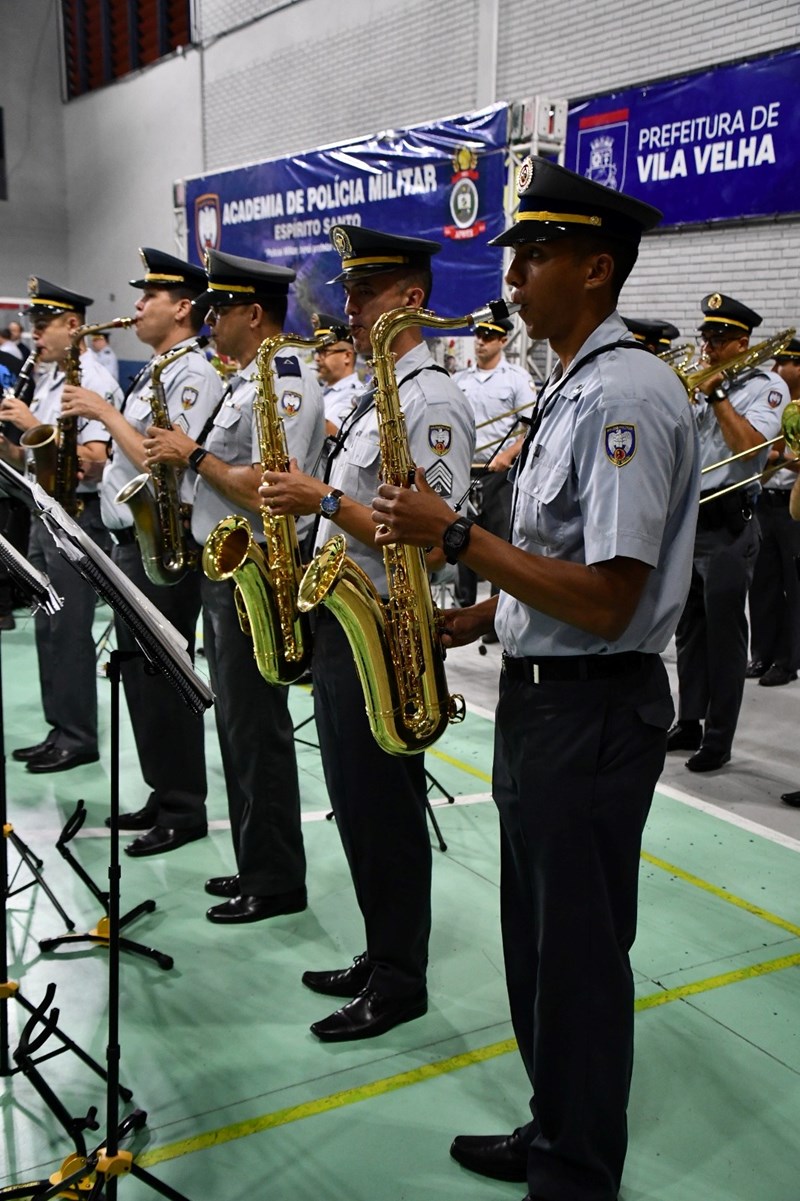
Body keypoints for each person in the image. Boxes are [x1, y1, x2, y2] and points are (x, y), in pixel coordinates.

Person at [369, 156, 698, 1201]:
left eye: (534, 255)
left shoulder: (625, 397)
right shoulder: (571, 385)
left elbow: (607, 598)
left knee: (579, 958)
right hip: (546, 701)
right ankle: (552, 1120)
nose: (510, 278)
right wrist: (479, 613)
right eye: (514, 256)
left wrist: (455, 535)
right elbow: (563, 575)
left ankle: (575, 1168)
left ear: (595, 269)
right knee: (538, 942)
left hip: (592, 715)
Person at [259, 224, 474, 1041]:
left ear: (410, 298)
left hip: (390, 630)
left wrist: (317, 499)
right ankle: (382, 949)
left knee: (384, 808)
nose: (347, 308)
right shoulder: (380, 391)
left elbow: (431, 529)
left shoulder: (432, 401)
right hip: (350, 623)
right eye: (348, 292)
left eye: (364, 293)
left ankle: (401, 978)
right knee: (354, 803)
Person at [142, 248, 324, 920]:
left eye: (222, 308)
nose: (211, 319)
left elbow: (275, 485)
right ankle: (257, 861)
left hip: (257, 575)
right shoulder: (250, 379)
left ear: (255, 312)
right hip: (226, 571)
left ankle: (276, 879)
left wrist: (192, 455)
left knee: (257, 732)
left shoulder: (286, 379)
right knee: (239, 730)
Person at [60, 248, 223, 854]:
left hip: (162, 544)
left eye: (148, 297)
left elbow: (160, 458)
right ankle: (165, 792)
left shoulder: (194, 374)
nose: (135, 306)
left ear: (182, 308)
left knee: (163, 677)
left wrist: (102, 412)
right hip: (131, 541)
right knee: (143, 678)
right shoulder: (157, 369)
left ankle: (184, 808)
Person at [0, 277, 120, 771]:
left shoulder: (89, 380)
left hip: (77, 516)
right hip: (42, 511)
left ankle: (77, 735)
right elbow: (34, 457)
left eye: (43, 323)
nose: (35, 333)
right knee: (47, 630)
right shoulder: (48, 377)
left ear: (73, 325)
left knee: (69, 630)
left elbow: (90, 460)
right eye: (32, 323)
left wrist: (29, 425)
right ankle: (59, 727)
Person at [667, 294, 789, 771]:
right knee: (688, 632)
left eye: (719, 340)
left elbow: (752, 452)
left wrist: (717, 396)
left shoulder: (767, 386)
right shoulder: (697, 384)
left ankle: (719, 737)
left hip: (727, 523)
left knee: (724, 636)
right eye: (706, 338)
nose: (708, 348)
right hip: (688, 520)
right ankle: (689, 721)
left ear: (743, 342)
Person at [453, 313, 535, 613]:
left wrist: (509, 454)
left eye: (489, 336)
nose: (481, 341)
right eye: (478, 335)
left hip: (499, 473)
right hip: (466, 471)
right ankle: (463, 607)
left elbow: (532, 429)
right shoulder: (460, 379)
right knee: (460, 537)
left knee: (498, 543)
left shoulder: (516, 379)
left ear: (503, 340)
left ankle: (496, 612)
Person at [745, 335, 800, 687]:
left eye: (785, 364)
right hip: (764, 500)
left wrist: (780, 456)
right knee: (761, 584)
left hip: (793, 506)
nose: (776, 370)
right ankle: (761, 653)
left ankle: (788, 659)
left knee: (793, 587)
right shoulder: (770, 404)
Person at [311, 311, 360, 435]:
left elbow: (330, 431)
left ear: (347, 356)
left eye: (324, 351)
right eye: (316, 351)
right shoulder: (320, 391)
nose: (317, 358)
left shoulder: (356, 395)